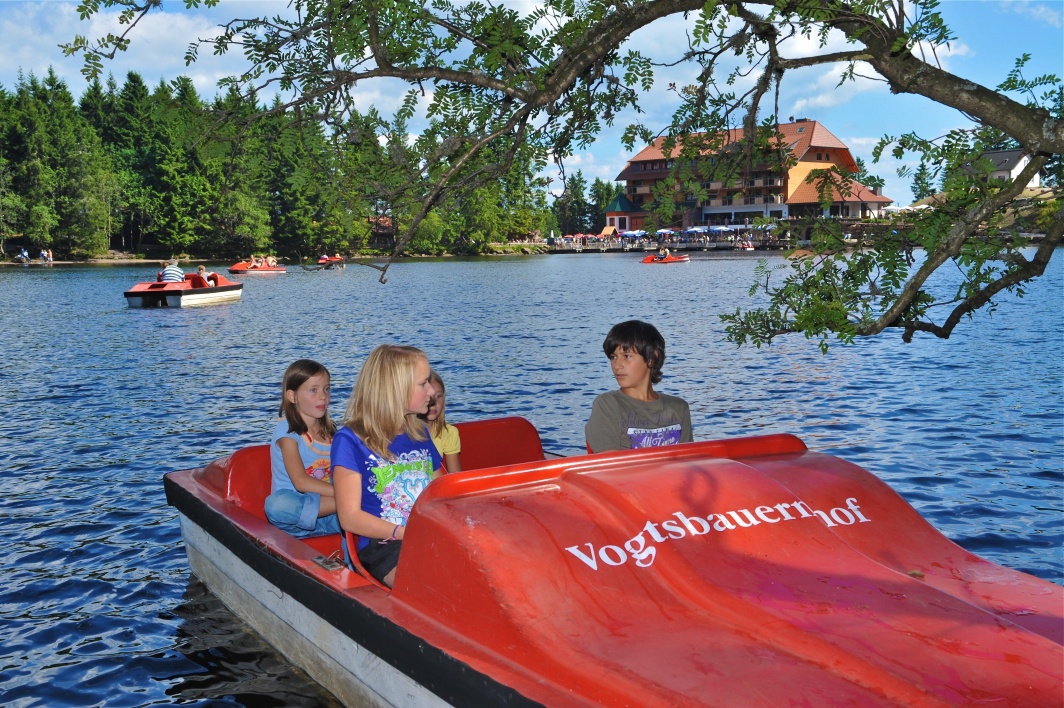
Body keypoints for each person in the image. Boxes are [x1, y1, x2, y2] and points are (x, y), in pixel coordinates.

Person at [332, 345, 442, 587]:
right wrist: (405, 533)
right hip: (384, 545)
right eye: (423, 383)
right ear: (396, 389)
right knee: (433, 585)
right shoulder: (350, 440)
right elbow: (350, 517)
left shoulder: (420, 433)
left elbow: (441, 492)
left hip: (427, 534)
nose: (432, 391)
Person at [585, 320, 693, 453]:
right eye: (613, 357)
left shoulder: (679, 408)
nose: (617, 365)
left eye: (627, 356)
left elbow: (688, 460)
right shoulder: (607, 405)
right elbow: (609, 462)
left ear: (651, 358)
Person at [264, 359, 342, 538]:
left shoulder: (334, 433)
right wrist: (344, 494)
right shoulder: (287, 432)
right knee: (276, 505)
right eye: (313, 390)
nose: (323, 396)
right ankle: (352, 502)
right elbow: (300, 482)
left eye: (327, 389)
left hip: (331, 514)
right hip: (298, 515)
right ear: (292, 396)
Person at [422, 370, 462, 473]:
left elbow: (455, 476)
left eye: (438, 396)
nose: (433, 403)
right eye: (427, 396)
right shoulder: (404, 432)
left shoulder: (448, 433)